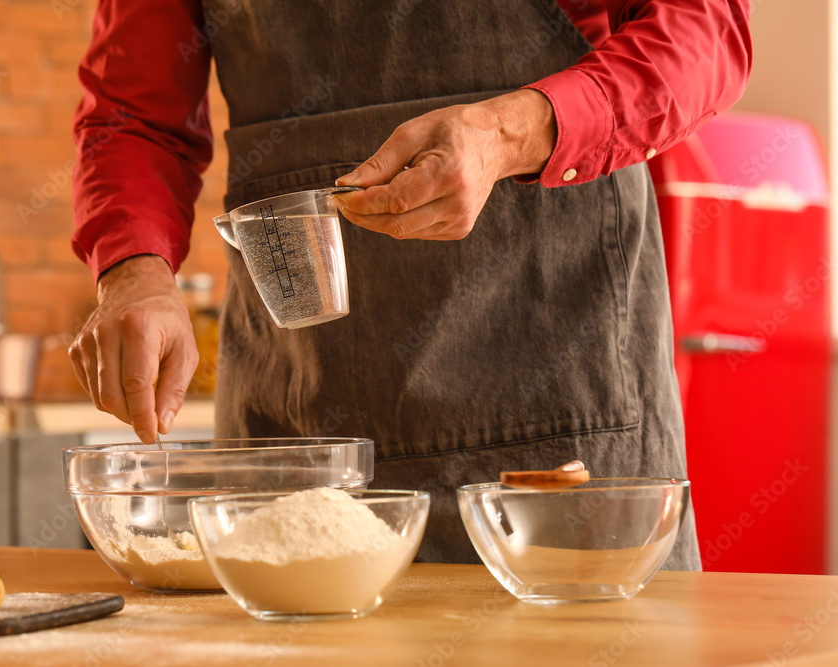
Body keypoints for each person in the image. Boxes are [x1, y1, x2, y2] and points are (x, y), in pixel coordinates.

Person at [68, 0, 752, 567]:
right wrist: (133, 271)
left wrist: (508, 134)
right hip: (297, 447)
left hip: (565, 442)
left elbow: (705, 29)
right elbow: (131, 115)